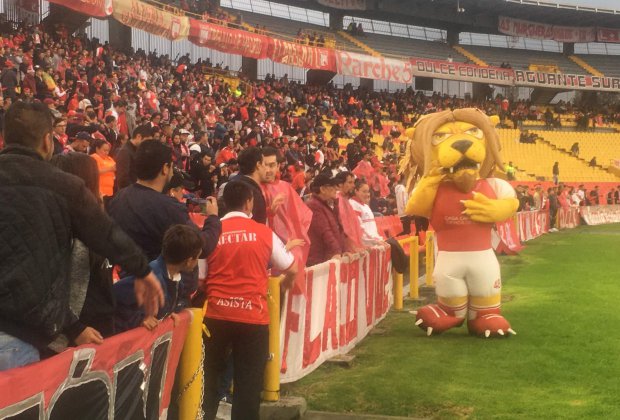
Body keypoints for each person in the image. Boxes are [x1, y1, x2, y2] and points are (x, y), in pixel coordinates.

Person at [0, 101, 163, 371]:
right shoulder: (63, 185)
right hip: (19, 340)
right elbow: (105, 232)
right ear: (46, 141)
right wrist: (143, 271)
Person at [199, 181, 297, 420]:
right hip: (253, 318)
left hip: (216, 317)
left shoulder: (211, 233)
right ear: (249, 202)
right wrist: (280, 283)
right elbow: (291, 267)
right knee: (248, 385)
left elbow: (200, 280)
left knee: (208, 380)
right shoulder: (264, 232)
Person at [108, 140, 221, 262]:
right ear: (165, 168)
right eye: (171, 166)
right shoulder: (167, 208)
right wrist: (213, 217)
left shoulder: (118, 198)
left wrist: (201, 206)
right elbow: (202, 246)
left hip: (124, 275)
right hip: (154, 277)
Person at [51, 152, 116, 341]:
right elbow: (44, 292)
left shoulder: (94, 220)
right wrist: (75, 329)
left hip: (99, 329)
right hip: (73, 340)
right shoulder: (59, 229)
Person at [114, 225, 203, 332]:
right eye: (197, 258)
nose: (197, 262)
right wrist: (139, 320)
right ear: (188, 261)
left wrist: (168, 314)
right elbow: (113, 296)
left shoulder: (177, 281)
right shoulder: (151, 277)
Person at [306, 173, 347, 266]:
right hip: (319, 260)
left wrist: (343, 251)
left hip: (327, 258)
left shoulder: (326, 205)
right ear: (322, 189)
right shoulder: (313, 205)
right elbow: (325, 232)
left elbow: (338, 229)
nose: (336, 189)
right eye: (332, 186)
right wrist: (337, 252)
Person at [114, 124, 152, 192]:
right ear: (139, 136)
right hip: (128, 194)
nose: (147, 145)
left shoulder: (137, 150)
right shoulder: (125, 151)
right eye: (146, 141)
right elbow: (122, 179)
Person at [349, 179, 384, 245]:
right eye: (364, 192)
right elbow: (360, 230)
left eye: (368, 192)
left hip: (375, 242)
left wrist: (378, 239)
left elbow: (372, 228)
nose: (367, 194)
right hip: (366, 245)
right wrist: (376, 241)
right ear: (356, 191)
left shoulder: (365, 206)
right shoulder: (353, 205)